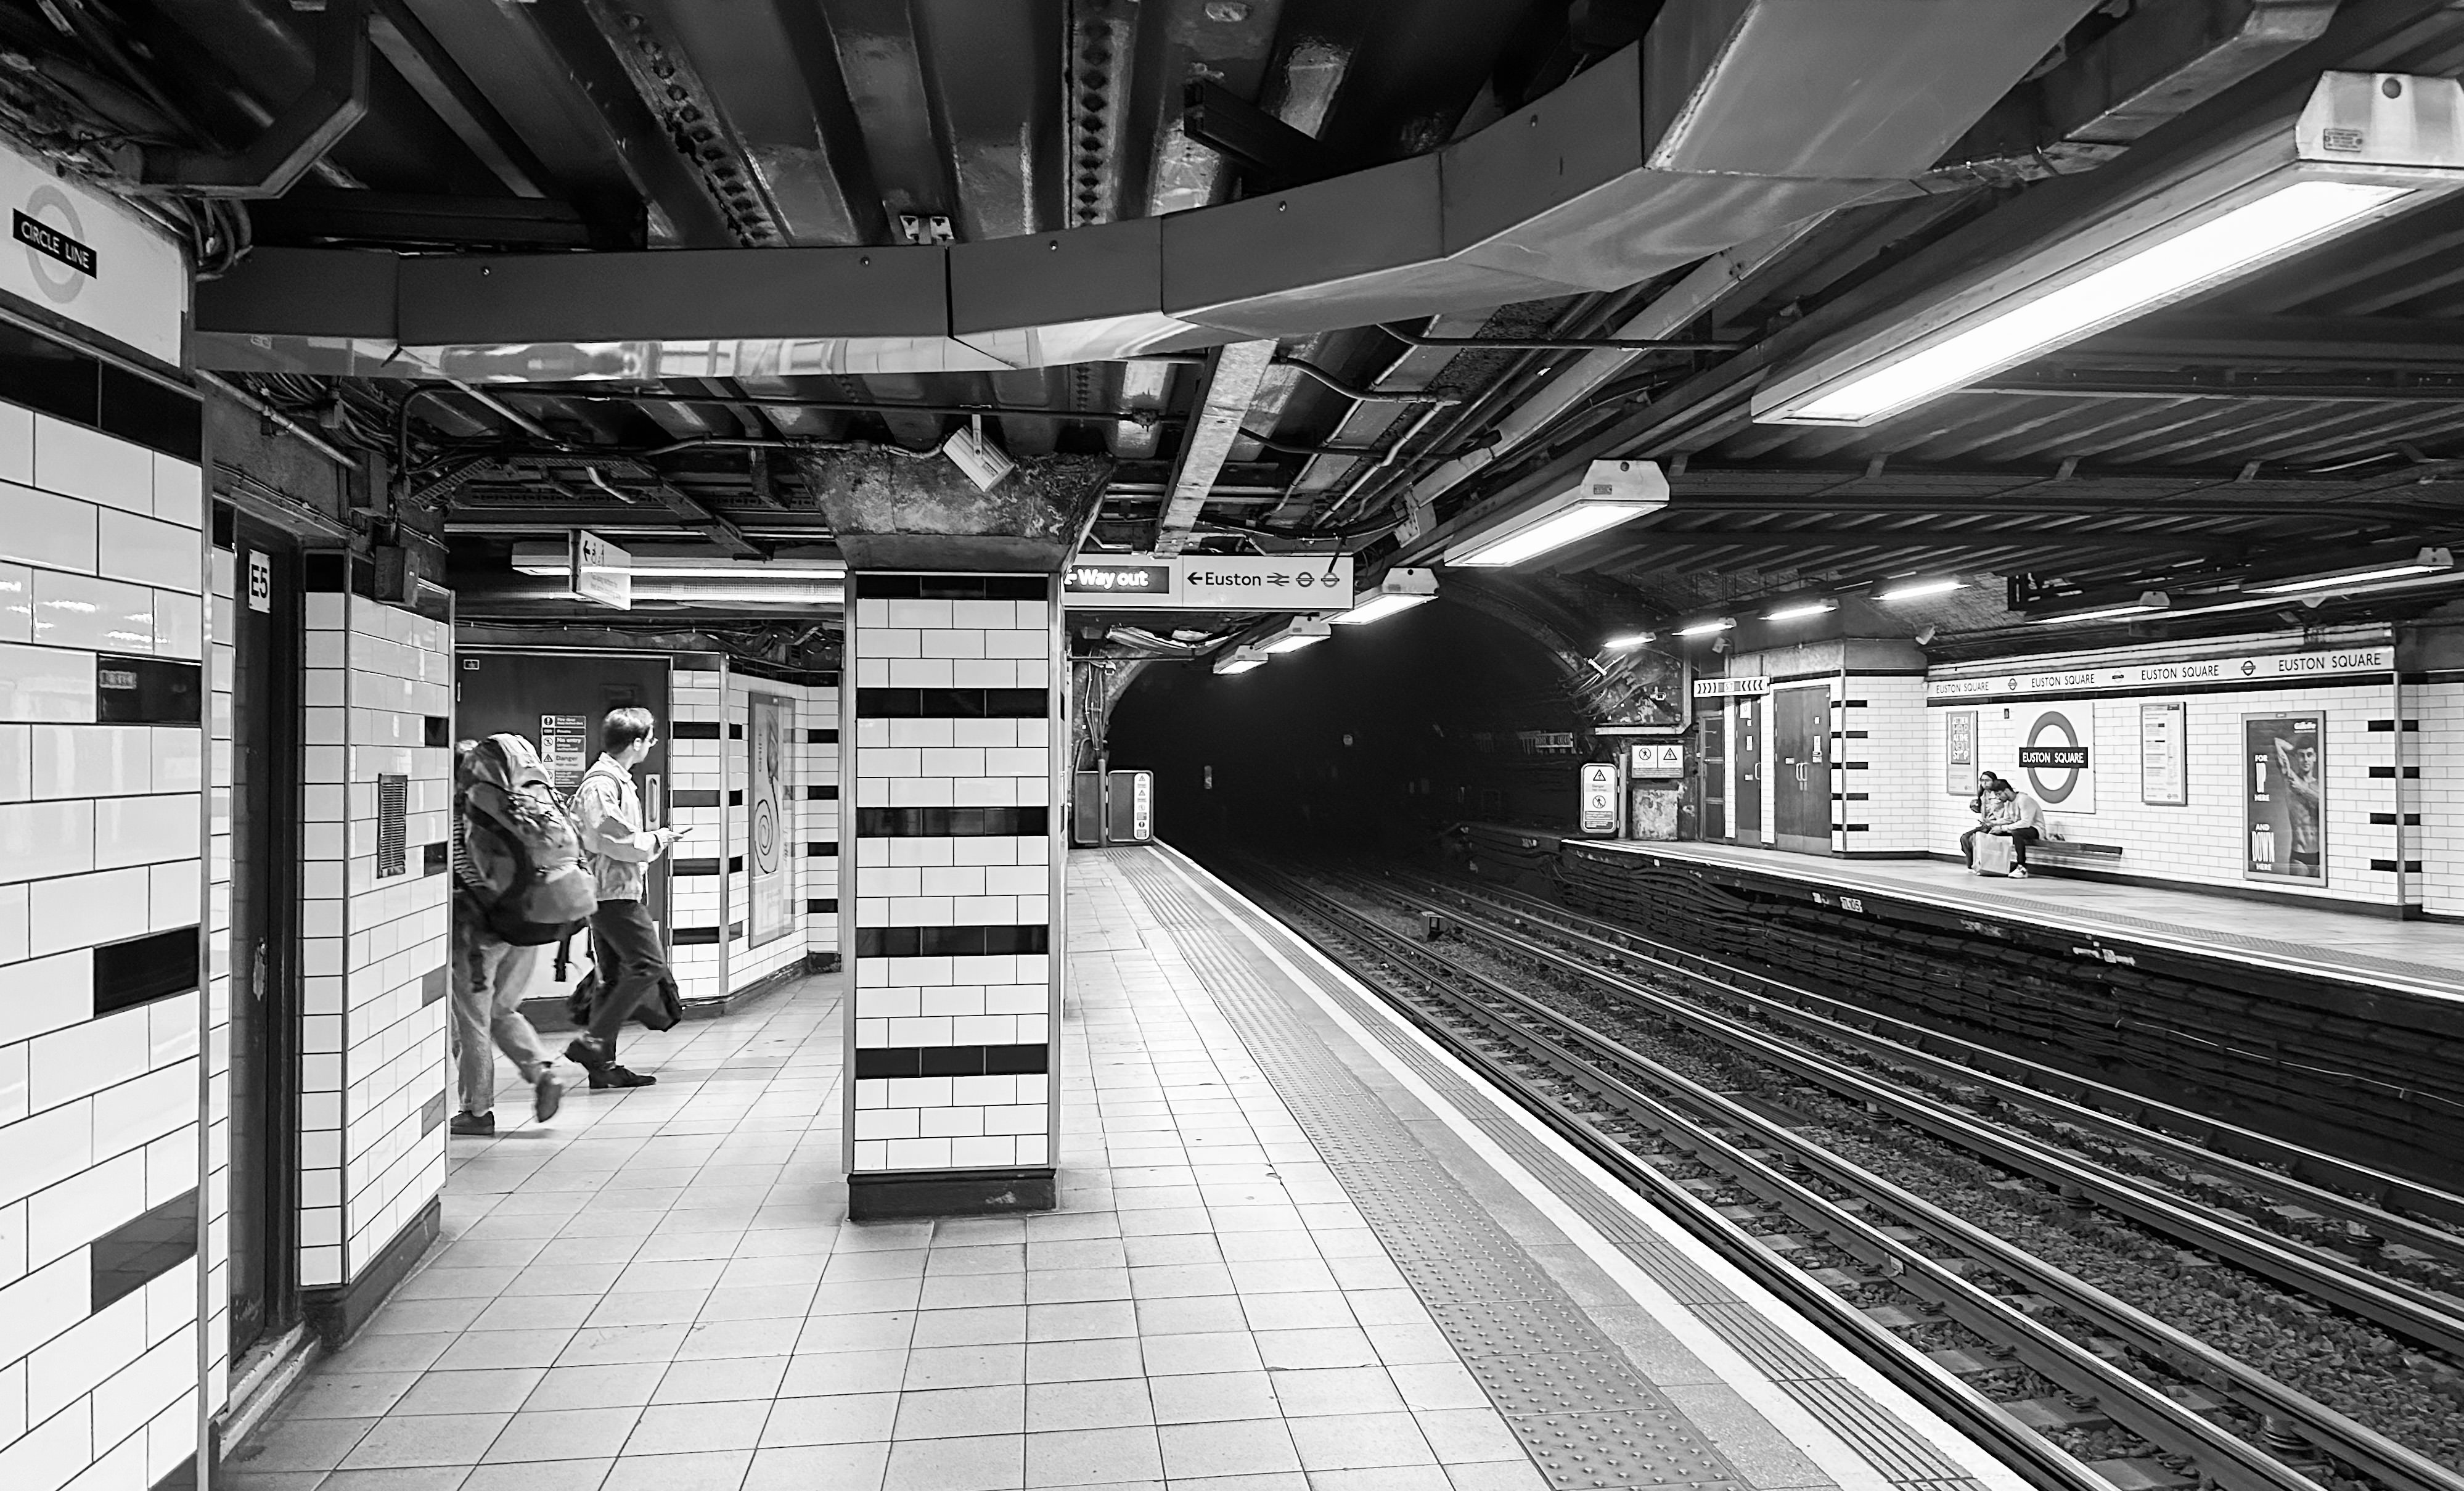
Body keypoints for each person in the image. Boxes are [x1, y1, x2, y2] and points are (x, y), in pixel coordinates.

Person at [448, 739, 565, 1135]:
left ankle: (476, 1111)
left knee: (472, 1022)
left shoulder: (458, 815)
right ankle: (543, 1071)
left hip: (478, 934)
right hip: (521, 925)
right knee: (501, 1012)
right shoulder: (512, 808)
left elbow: (458, 873)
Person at [569, 707, 687, 1088]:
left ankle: (603, 1067)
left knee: (614, 976)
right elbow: (612, 837)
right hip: (612, 894)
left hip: (611, 892)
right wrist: (657, 839)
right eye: (650, 738)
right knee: (648, 966)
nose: (653, 744)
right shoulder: (602, 784)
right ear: (636, 743)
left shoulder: (614, 780)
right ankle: (593, 1041)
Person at [2275, 737, 2323, 878]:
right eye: (2301, 756)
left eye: (2309, 755)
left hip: (2320, 853)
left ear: (2315, 757)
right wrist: (2294, 751)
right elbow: (2277, 742)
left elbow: (2326, 805)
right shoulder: (2291, 780)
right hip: (2299, 853)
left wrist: (2303, 790)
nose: (2306, 759)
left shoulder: (2321, 785)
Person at [1981, 782, 2044, 878]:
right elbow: (2008, 819)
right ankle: (1996, 866)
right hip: (2019, 828)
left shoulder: (2024, 800)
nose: (1998, 797)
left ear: (2007, 791)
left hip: (2035, 829)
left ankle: (2022, 868)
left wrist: (2002, 828)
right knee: (1995, 834)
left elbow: (2026, 823)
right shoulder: (2008, 802)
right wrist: (1993, 823)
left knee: (2016, 833)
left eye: (1999, 794)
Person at [1960, 771, 2009, 868]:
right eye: (1982, 781)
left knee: (1977, 839)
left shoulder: (2000, 794)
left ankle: (1979, 864)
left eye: (1987, 780)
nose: (1984, 783)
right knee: (1965, 838)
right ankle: (1972, 863)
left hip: (1998, 825)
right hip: (1986, 825)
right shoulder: (1983, 795)